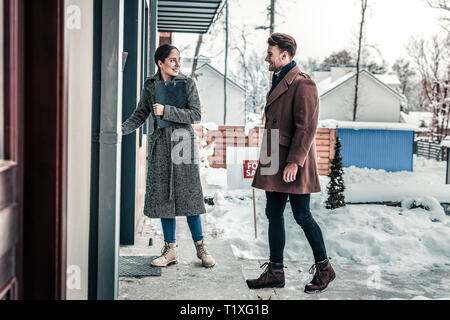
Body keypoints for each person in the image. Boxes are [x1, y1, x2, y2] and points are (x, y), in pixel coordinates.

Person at [247, 33, 335, 294]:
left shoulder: (303, 84)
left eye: (270, 54)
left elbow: (307, 127)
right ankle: (275, 271)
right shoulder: (279, 80)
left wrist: (294, 162)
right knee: (272, 214)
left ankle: (324, 268)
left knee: (302, 215)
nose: (267, 58)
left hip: (291, 160)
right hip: (274, 155)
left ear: (285, 55)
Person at [121, 44, 215, 268]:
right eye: (172, 60)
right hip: (161, 144)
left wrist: (166, 111)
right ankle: (170, 249)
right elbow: (141, 113)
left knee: (190, 196)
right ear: (160, 62)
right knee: (164, 197)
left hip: (183, 143)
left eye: (179, 60)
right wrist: (120, 129)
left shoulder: (187, 83)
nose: (177, 64)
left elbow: (196, 114)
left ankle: (201, 248)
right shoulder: (151, 85)